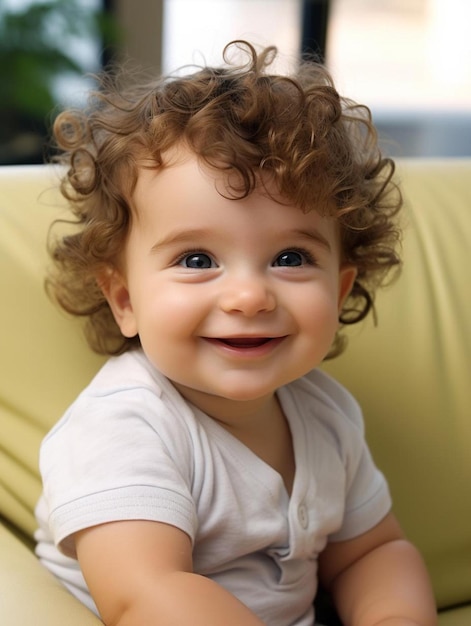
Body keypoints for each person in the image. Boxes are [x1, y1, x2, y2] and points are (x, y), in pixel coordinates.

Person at [35, 41, 437, 626]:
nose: (249, 297)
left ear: (341, 288)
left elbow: (371, 553)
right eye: (197, 260)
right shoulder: (124, 426)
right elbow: (146, 594)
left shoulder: (327, 415)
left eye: (292, 257)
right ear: (125, 300)